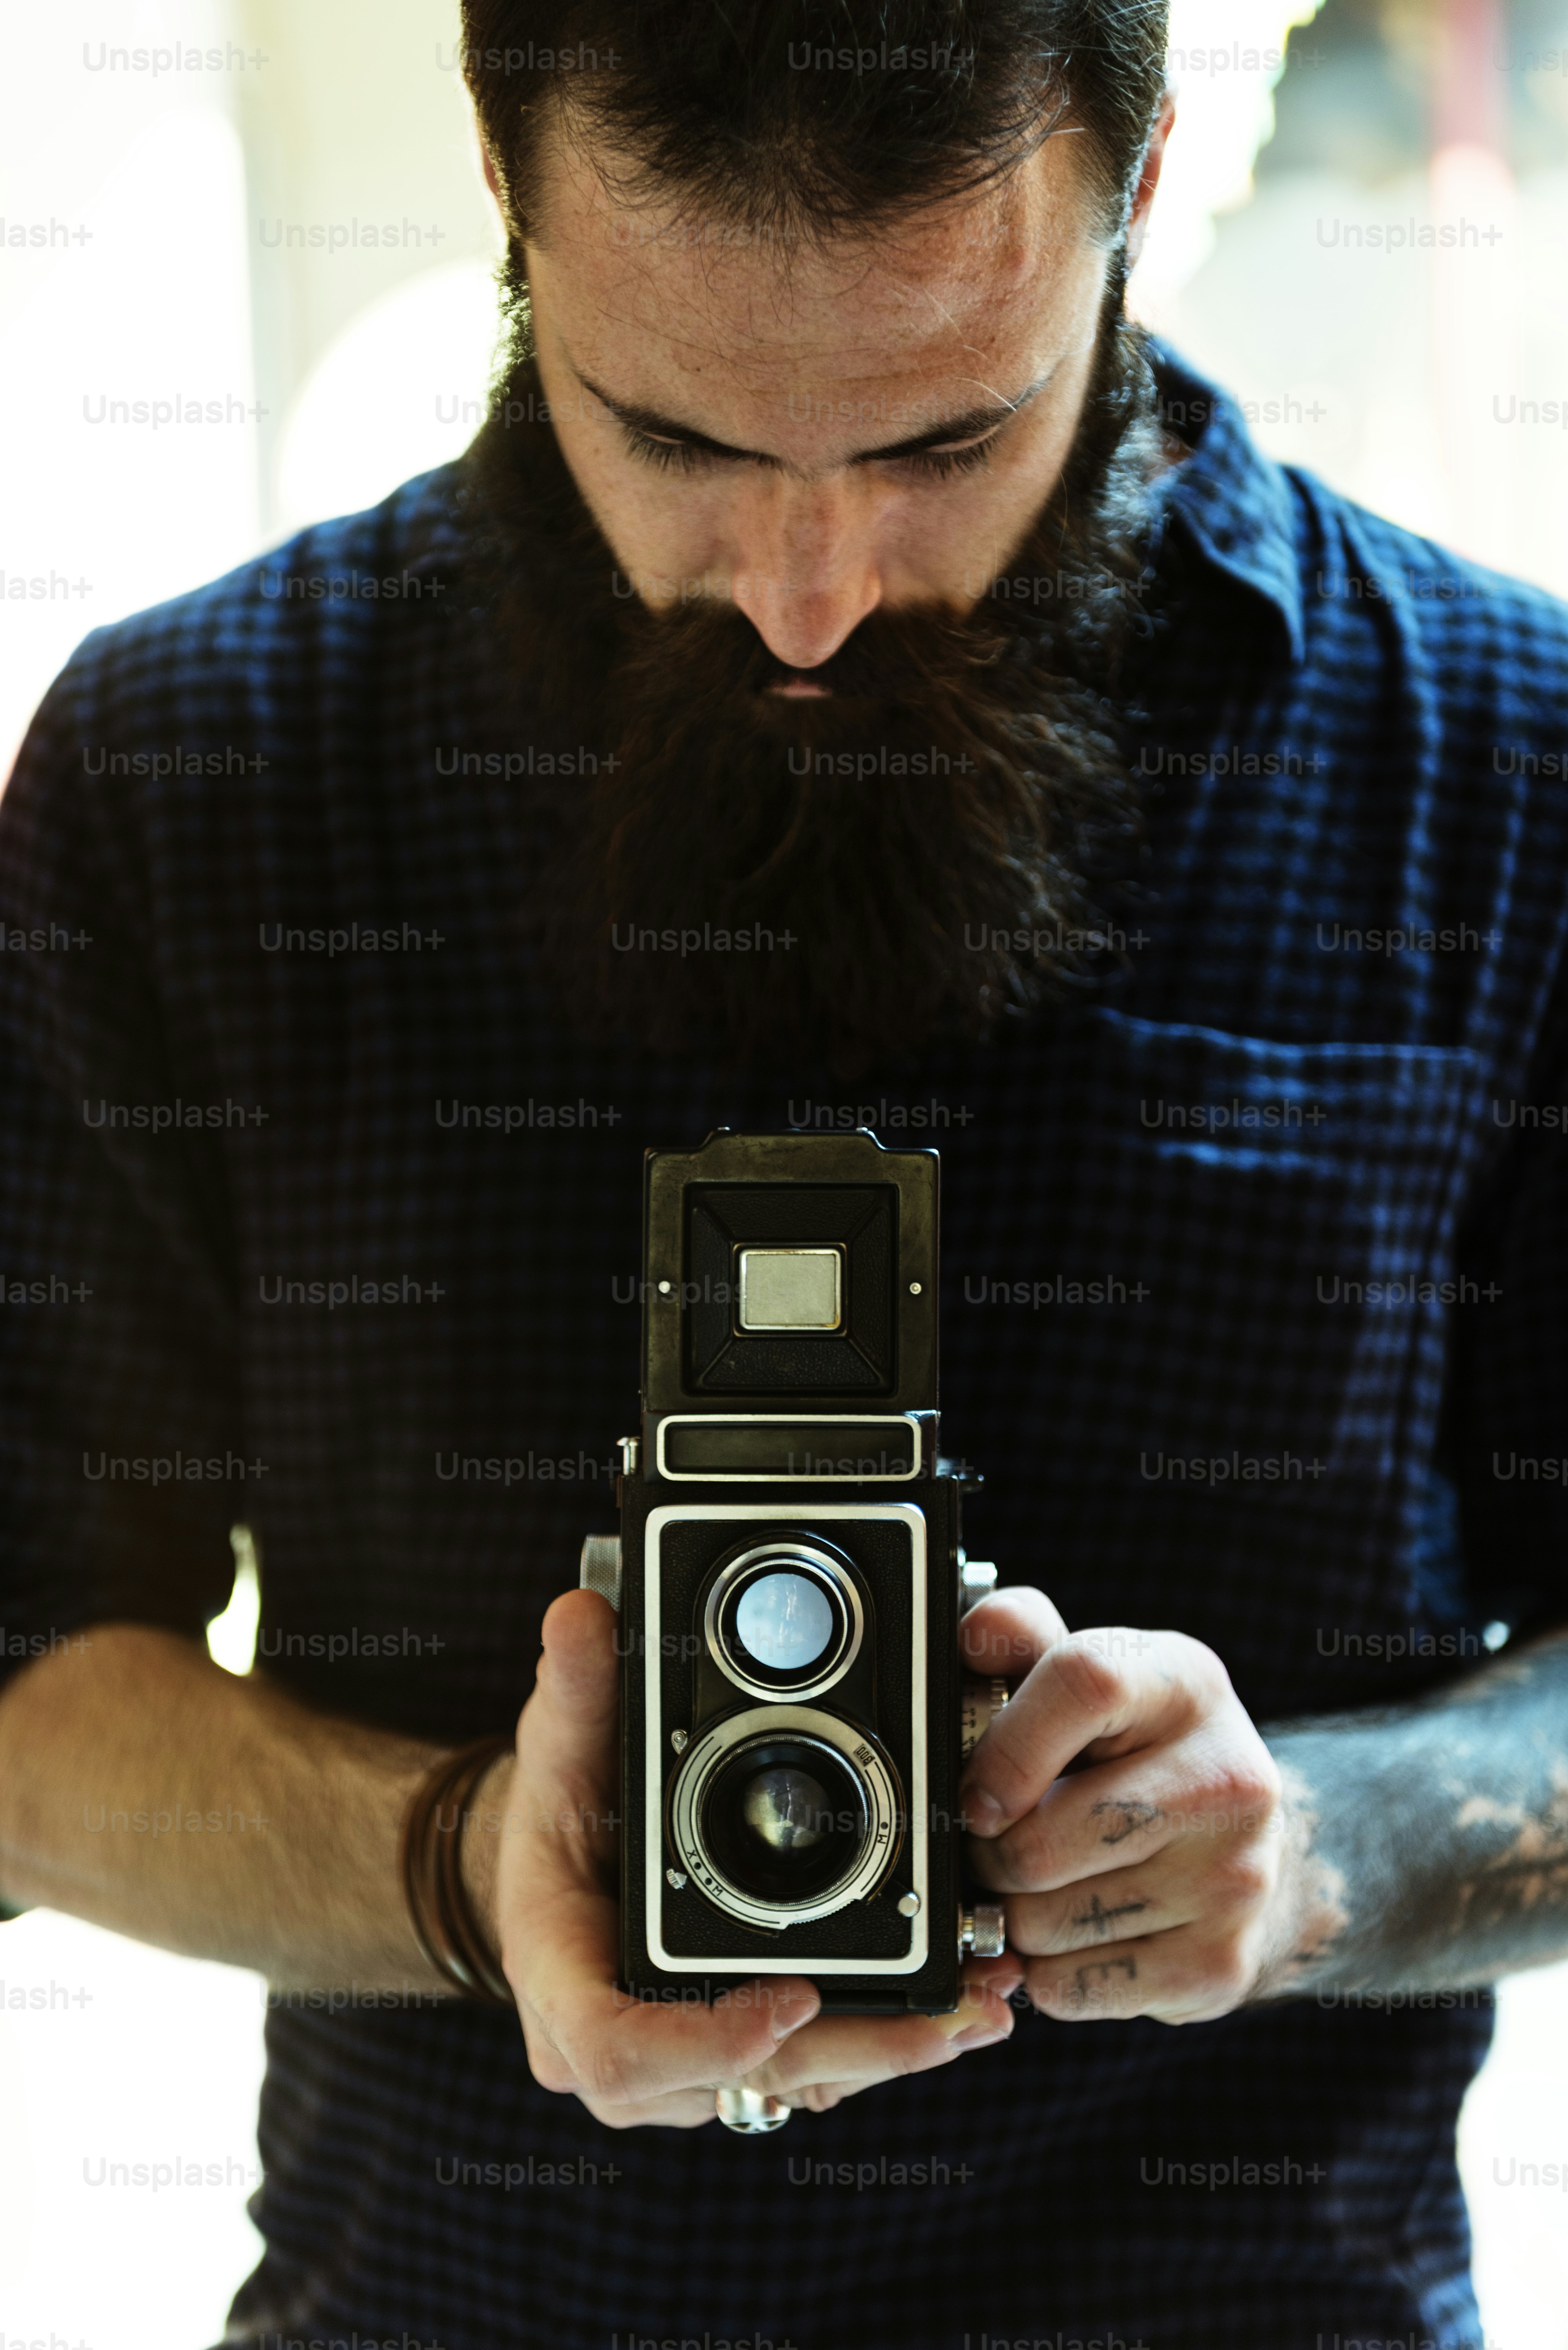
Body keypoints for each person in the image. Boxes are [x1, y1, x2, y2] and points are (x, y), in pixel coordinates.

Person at [2, 5, 1566, 2345]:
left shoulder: (1506, 778)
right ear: (514, 197)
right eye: (675, 436)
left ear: (1134, 194)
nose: (809, 588)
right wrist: (458, 1867)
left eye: (949, 434)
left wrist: (1320, 1849)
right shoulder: (188, 775)